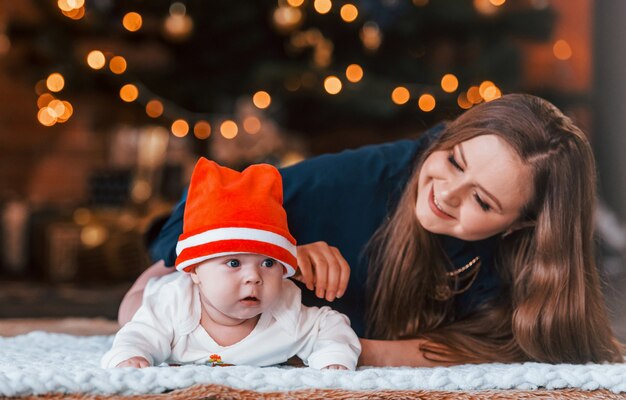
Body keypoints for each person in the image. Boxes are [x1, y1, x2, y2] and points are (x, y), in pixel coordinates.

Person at [119, 93, 623, 367]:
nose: (445, 193)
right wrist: (279, 248)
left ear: (525, 225)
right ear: (450, 137)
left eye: (481, 200)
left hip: (327, 339)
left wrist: (356, 354)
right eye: (453, 160)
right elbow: (181, 231)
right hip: (230, 304)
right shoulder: (366, 177)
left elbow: (528, 347)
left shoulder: (528, 261)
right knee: (146, 300)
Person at [103, 159, 361, 369]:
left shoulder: (285, 311)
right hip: (159, 287)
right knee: (129, 314)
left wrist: (333, 358)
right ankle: (173, 264)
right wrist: (132, 356)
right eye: (235, 262)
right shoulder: (171, 304)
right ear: (194, 271)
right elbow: (139, 335)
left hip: (200, 274)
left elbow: (329, 325)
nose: (254, 277)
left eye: (268, 263)